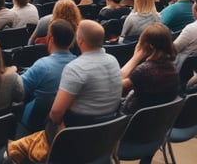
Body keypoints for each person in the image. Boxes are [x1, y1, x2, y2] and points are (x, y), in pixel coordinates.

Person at [8, 20, 122, 164]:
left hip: (75, 138)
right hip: (103, 138)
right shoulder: (113, 61)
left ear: (80, 40)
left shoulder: (75, 68)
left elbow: (56, 113)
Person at [19, 19, 76, 132]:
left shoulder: (42, 66)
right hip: (65, 123)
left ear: (51, 39)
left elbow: (19, 90)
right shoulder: (78, 63)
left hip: (34, 124)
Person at [120, 23, 180, 114]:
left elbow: (116, 84)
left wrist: (136, 57)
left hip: (136, 119)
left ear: (150, 46)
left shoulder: (143, 71)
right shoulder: (172, 66)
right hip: (161, 119)